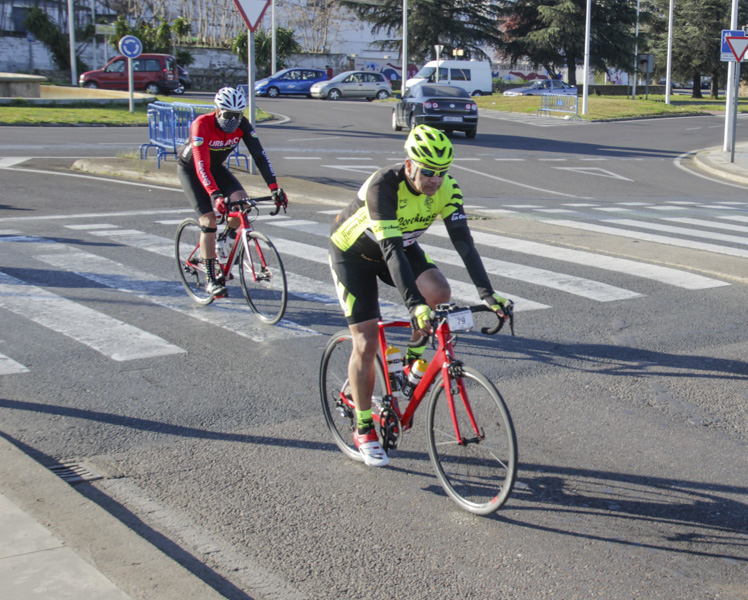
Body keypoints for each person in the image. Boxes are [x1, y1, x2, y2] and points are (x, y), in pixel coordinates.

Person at [328, 124, 510, 467]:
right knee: (366, 341)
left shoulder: (447, 188)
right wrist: (414, 306)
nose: (435, 181)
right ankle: (364, 428)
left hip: (402, 246)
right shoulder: (384, 187)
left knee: (439, 293)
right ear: (409, 164)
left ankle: (412, 359)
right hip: (356, 256)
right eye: (428, 172)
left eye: (442, 173)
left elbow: (464, 243)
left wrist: (488, 293)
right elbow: (392, 251)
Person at [177, 87, 288, 298]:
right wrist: (215, 195)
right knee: (209, 221)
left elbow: (260, 156)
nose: (234, 120)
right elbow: (201, 165)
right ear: (218, 111)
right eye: (229, 115)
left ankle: (224, 238)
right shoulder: (201, 124)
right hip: (192, 170)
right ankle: (211, 280)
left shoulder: (242, 124)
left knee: (243, 205)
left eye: (238, 115)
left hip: (215, 168)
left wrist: (274, 188)